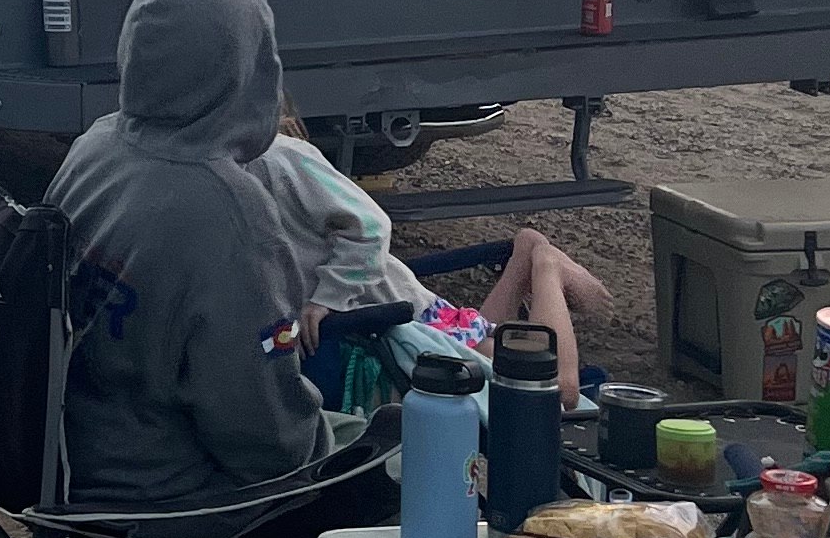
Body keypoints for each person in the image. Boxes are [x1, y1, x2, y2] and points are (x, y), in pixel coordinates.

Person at [49, 0, 485, 538]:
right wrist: (350, 447)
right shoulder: (222, 209)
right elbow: (262, 435)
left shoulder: (99, 145)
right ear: (252, 69)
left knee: (378, 440)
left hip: (60, 460)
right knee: (416, 475)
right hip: (158, 498)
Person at [259, 120, 612, 408]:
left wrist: (326, 298)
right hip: (388, 314)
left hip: (402, 318)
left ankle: (545, 263)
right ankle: (523, 256)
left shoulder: (281, 157)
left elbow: (372, 227)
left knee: (553, 394)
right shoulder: (230, 170)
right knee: (492, 357)